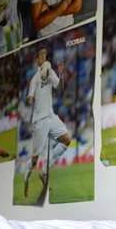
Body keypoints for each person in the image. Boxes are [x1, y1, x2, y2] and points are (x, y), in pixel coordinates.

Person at [22, 47, 70, 197]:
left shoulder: (50, 73)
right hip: (40, 121)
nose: (44, 57)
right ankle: (26, 177)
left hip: (51, 116)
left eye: (45, 55)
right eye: (41, 55)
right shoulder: (34, 79)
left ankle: (44, 171)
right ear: (37, 60)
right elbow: (29, 98)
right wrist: (30, 98)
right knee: (34, 159)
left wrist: (61, 74)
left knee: (67, 140)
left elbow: (59, 87)